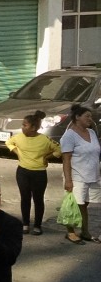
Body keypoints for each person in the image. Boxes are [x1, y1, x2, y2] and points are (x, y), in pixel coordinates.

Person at [4, 110, 61, 236]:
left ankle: (37, 225)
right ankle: (25, 224)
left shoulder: (44, 140)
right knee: (25, 198)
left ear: (34, 127)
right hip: (23, 172)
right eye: (22, 125)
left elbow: (58, 149)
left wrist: (47, 157)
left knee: (38, 199)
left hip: (39, 173)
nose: (22, 127)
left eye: (25, 125)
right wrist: (17, 152)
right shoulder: (18, 137)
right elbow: (8, 142)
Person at [60, 104, 100, 244]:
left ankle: (85, 231)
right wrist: (68, 181)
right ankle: (71, 232)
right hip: (77, 177)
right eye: (87, 116)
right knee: (74, 205)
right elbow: (66, 159)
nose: (90, 119)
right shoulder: (69, 136)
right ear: (77, 117)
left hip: (92, 176)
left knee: (85, 204)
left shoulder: (92, 133)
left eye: (91, 116)